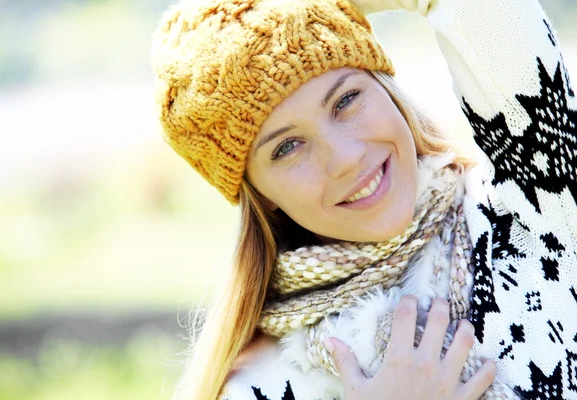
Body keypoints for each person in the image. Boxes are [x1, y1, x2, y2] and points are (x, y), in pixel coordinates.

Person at [150, 0, 577, 399]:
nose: (347, 158)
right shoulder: (257, 387)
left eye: (347, 100)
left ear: (385, 87)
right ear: (261, 195)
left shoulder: (533, 206)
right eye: (287, 147)